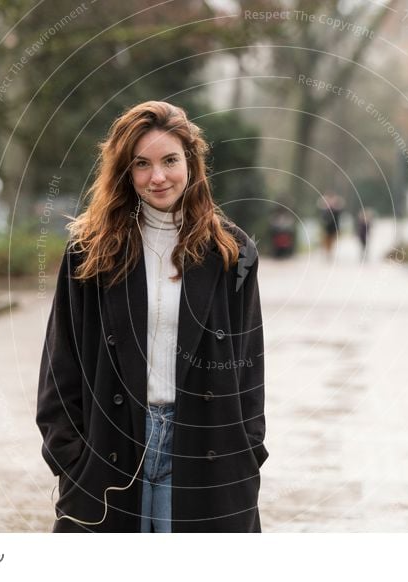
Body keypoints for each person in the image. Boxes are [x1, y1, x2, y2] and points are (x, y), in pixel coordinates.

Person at [36, 101, 268, 533]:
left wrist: (249, 450)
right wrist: (68, 456)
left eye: (169, 160)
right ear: (125, 171)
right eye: (142, 164)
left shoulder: (231, 253)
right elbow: (60, 361)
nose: (157, 176)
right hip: (110, 448)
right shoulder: (90, 252)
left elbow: (248, 364)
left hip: (206, 449)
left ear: (192, 162)